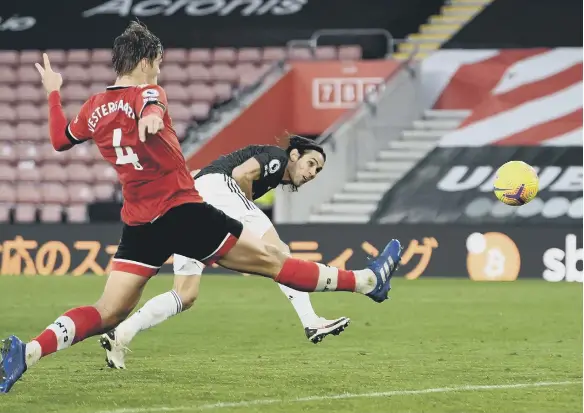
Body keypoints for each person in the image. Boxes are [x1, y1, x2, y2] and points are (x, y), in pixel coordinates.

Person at [0, 21, 402, 394]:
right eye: (157, 64)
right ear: (144, 62)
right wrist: (151, 118)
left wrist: (53, 90)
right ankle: (368, 281)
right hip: (182, 211)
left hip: (140, 223)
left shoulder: (91, 107)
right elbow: (151, 106)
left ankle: (29, 352)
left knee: (107, 312)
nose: (158, 72)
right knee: (274, 260)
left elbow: (59, 139)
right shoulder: (148, 93)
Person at [100, 137, 350, 370]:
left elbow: (198, 175)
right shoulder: (277, 157)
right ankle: (311, 321)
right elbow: (241, 174)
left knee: (185, 294)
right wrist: (246, 211)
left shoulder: (269, 171)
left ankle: (121, 333)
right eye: (311, 163)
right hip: (220, 190)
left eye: (317, 171)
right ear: (294, 155)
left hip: (194, 200)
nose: (312, 173)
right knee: (278, 251)